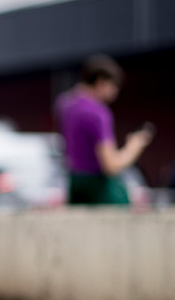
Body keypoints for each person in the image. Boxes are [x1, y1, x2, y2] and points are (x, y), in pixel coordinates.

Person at [55, 54, 154, 205]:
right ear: (100, 82)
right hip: (99, 189)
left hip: (75, 185)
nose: (115, 93)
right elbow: (111, 165)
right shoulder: (98, 113)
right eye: (113, 86)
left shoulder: (64, 104)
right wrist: (133, 147)